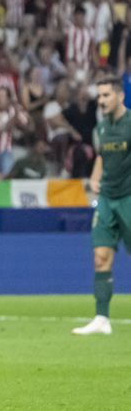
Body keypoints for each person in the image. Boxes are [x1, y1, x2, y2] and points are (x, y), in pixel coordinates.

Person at [72, 76, 130, 336]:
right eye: (100, 96)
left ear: (120, 96)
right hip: (107, 199)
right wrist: (95, 179)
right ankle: (102, 318)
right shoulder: (102, 128)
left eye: (106, 95)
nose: (102, 101)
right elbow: (102, 157)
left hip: (129, 198)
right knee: (100, 258)